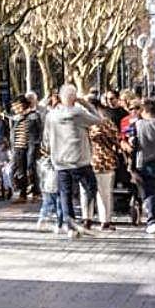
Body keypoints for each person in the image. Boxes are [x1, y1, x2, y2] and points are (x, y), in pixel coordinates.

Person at [44, 84, 100, 239]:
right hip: (80, 160)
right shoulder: (78, 113)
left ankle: (70, 225)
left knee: (65, 193)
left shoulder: (51, 116)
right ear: (74, 97)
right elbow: (99, 120)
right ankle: (86, 216)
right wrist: (86, 104)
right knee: (91, 187)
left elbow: (46, 138)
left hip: (60, 161)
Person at [124, 98, 155, 234]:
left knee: (149, 192)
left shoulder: (136, 125)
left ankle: (152, 221)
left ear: (144, 110)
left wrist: (131, 167)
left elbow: (132, 144)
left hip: (145, 162)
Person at [88, 106, 121, 230]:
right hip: (106, 161)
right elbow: (117, 140)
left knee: (87, 192)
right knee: (105, 192)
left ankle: (87, 218)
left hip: (89, 160)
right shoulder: (107, 123)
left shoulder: (85, 124)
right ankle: (105, 220)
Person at [10, 96, 42, 202]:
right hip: (18, 147)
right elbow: (12, 133)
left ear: (23, 105)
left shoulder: (34, 116)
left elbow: (40, 131)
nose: (15, 108)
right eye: (14, 106)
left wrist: (39, 144)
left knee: (31, 169)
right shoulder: (16, 118)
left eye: (16, 106)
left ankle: (36, 193)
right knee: (20, 171)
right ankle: (22, 194)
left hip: (30, 146)